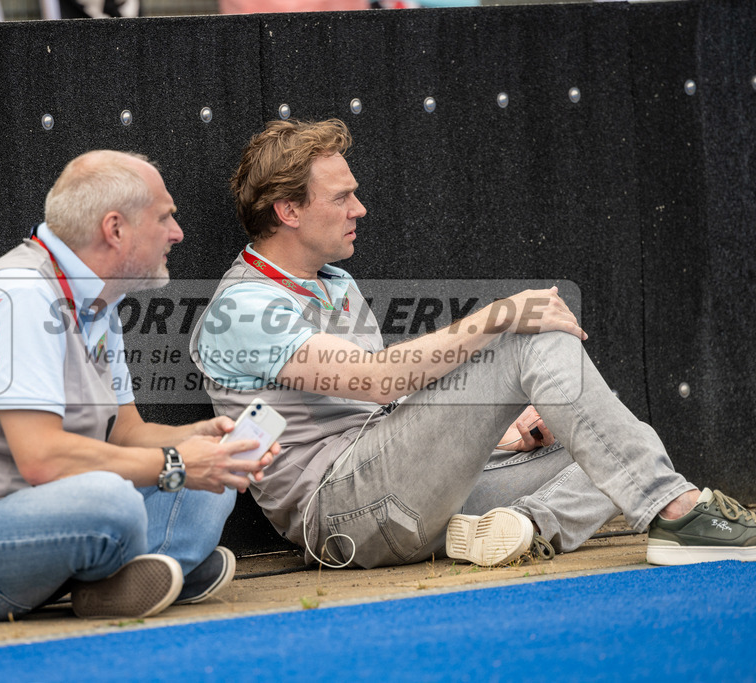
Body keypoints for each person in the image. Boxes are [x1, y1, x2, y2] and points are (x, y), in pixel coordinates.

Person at [190, 118, 755, 570]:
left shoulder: (333, 281)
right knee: (526, 339)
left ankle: (523, 527)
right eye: (341, 198)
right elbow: (378, 379)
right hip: (341, 515)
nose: (359, 209)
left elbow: (372, 409)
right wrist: (500, 315)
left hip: (393, 491)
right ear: (289, 211)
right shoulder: (243, 309)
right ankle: (679, 514)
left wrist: (501, 431)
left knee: (618, 447)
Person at [0, 150, 276, 622]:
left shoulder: (98, 298)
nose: (177, 233)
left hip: (29, 516)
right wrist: (178, 462)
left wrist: (201, 440)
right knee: (112, 500)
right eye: (164, 218)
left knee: (215, 477)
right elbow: (43, 459)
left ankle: (120, 581)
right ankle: (150, 570)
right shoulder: (20, 295)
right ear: (115, 229)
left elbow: (124, 434)